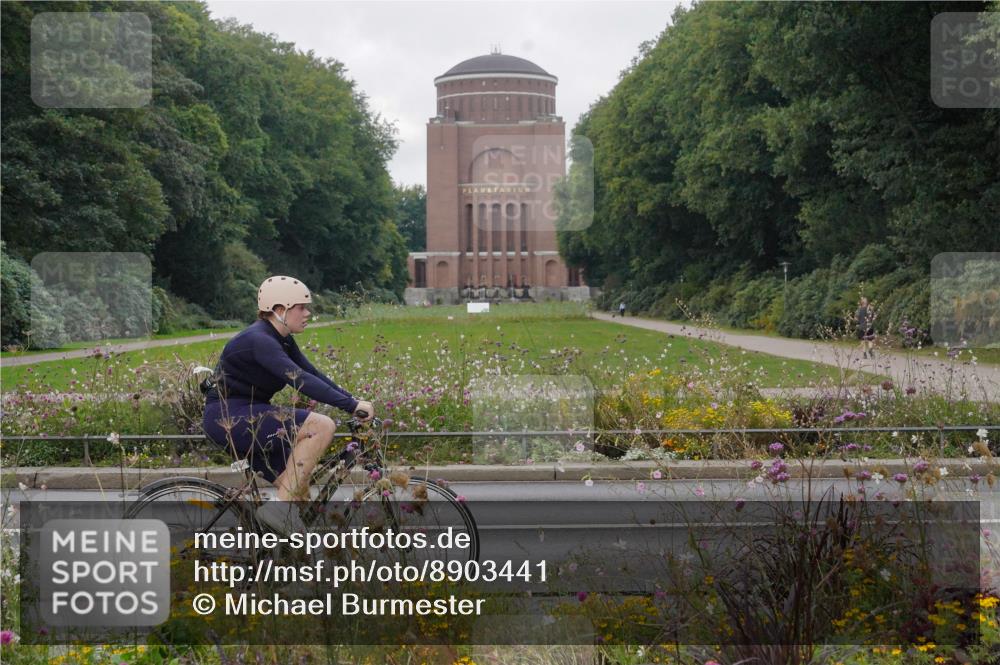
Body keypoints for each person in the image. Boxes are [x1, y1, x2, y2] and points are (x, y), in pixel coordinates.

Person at [202, 276, 374, 533]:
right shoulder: (259, 340)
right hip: (230, 418)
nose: (308, 313)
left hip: (246, 415)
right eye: (301, 307)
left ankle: (275, 559)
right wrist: (350, 405)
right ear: (280, 310)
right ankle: (279, 510)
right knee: (321, 425)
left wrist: (353, 401)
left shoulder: (280, 338)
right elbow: (300, 380)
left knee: (297, 491)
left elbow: (312, 373)